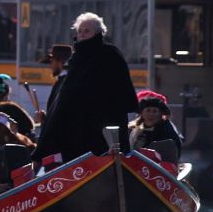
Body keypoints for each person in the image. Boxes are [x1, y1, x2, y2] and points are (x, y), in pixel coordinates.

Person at [37, 13, 138, 162]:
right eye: (80, 31)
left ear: (98, 33)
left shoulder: (110, 53)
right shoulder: (76, 57)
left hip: (104, 121)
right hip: (78, 123)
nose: (82, 34)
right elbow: (68, 92)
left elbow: (119, 88)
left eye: (87, 31)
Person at [130, 90, 184, 164]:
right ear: (141, 113)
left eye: (154, 111)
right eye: (148, 110)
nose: (151, 114)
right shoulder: (133, 130)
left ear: (161, 114)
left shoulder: (167, 131)